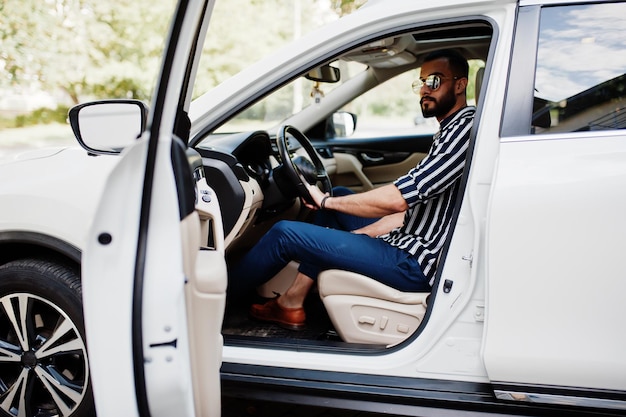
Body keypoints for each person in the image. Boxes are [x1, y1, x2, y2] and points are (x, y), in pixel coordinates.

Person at [229, 49, 476, 330]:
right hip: (411, 238)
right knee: (341, 195)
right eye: (420, 82)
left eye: (433, 81)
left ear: (460, 85)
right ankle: (291, 303)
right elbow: (417, 206)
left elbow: (399, 199)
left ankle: (218, 301)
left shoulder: (464, 130)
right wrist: (365, 229)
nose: (423, 89)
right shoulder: (450, 130)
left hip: (415, 262)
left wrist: (324, 203)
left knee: (285, 233)